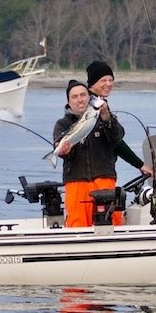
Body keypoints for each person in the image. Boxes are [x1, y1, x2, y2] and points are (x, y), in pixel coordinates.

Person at [53, 79, 125, 227]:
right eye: (74, 97)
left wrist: (106, 117)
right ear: (69, 102)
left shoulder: (102, 118)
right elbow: (61, 148)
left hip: (104, 179)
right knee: (77, 225)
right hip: (76, 182)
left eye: (83, 95)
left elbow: (117, 137)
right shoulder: (62, 124)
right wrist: (63, 151)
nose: (79, 100)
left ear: (89, 97)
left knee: (111, 222)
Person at [85, 61, 155, 178]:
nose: (108, 84)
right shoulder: (91, 103)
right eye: (103, 80)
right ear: (92, 83)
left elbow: (114, 138)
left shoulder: (101, 102)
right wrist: (140, 165)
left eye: (111, 80)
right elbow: (115, 141)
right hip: (94, 176)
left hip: (102, 172)